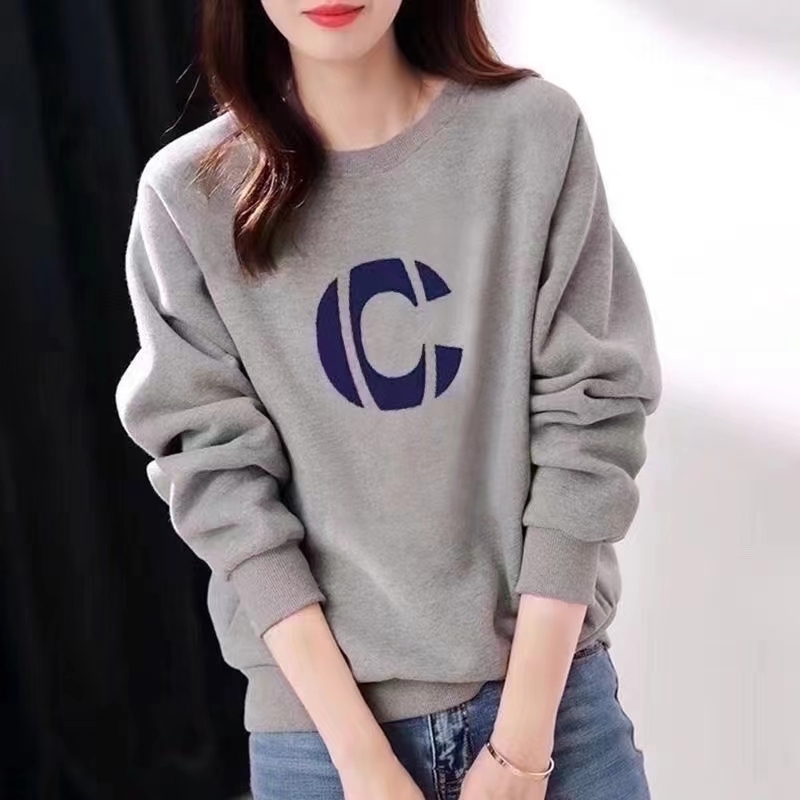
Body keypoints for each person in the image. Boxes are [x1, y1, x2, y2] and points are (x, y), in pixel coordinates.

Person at [114, 1, 663, 798]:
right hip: (319, 740)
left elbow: (590, 426)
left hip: (553, 716)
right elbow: (220, 489)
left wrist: (522, 747)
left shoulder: (532, 134)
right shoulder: (188, 196)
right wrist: (361, 763)